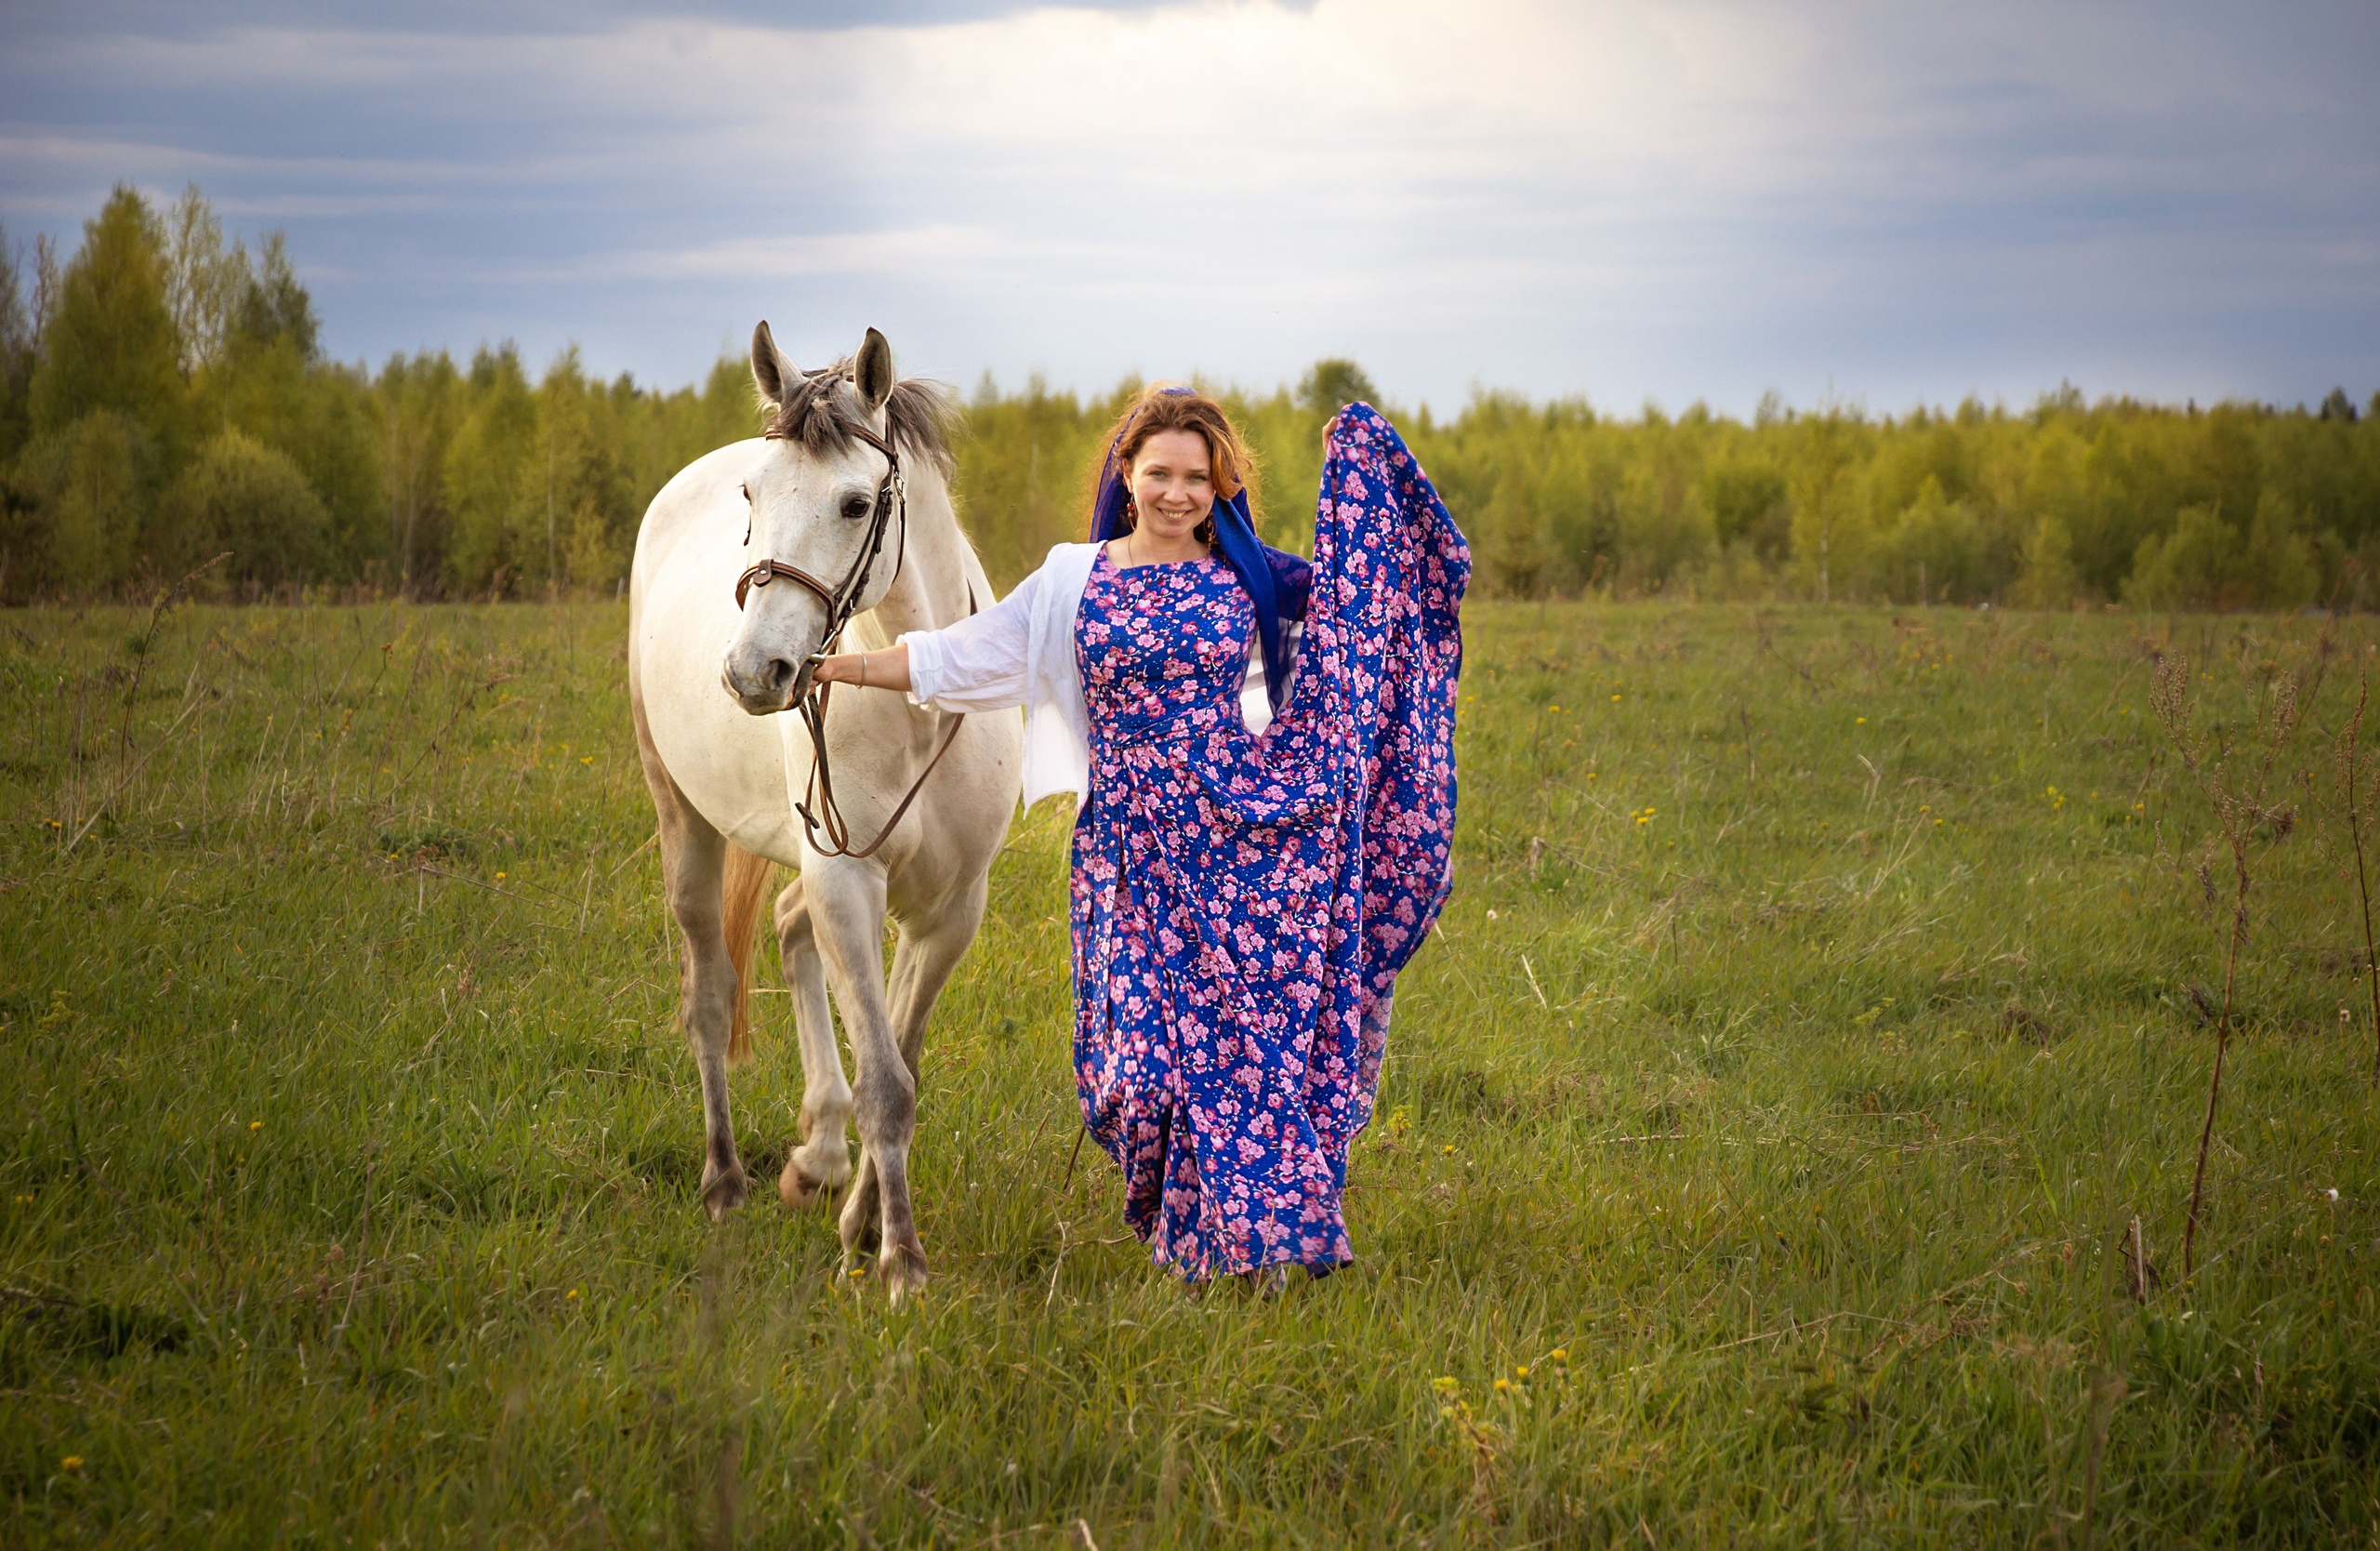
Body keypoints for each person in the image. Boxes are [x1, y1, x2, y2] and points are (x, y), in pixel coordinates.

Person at [811, 384, 1468, 1284]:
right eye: (1160, 473)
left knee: (1250, 1054)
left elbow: (1367, 614)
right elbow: (962, 654)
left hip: (1249, 845)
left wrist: (1361, 467)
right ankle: (1218, 1223)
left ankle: (1249, 1249)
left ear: (1220, 484)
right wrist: (835, 667)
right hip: (1128, 853)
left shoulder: (1256, 578)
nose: (1177, 493)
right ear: (1127, 472)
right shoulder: (1071, 581)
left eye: (1197, 477)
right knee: (1141, 1077)